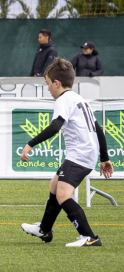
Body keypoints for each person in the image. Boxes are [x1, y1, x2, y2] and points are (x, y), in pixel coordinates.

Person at [20, 57, 114, 247]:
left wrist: (30, 144)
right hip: (86, 154)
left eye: (47, 84)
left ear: (57, 83)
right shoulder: (80, 100)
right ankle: (44, 230)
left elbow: (55, 126)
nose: (47, 89)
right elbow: (98, 130)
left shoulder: (64, 99)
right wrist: (104, 158)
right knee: (55, 187)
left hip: (79, 155)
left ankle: (89, 236)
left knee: (63, 195)